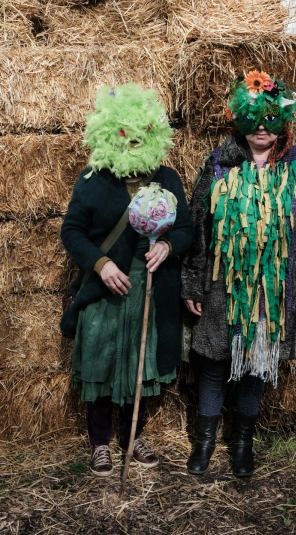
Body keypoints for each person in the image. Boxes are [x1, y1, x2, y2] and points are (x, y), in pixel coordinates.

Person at [181, 71, 296, 477]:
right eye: (253, 118)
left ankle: (243, 442)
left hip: (271, 286)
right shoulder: (218, 164)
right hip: (221, 284)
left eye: (270, 117)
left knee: (255, 360)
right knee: (214, 360)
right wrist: (192, 282)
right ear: (238, 119)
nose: (262, 127)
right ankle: (206, 441)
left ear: (282, 120)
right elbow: (198, 226)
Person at [61, 83, 193, 477]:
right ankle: (100, 443)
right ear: (109, 134)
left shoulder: (167, 177)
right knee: (102, 364)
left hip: (151, 290)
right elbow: (72, 231)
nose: (133, 143)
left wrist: (168, 247)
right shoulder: (93, 179)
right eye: (125, 136)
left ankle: (132, 435)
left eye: (141, 137)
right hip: (106, 290)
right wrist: (100, 264)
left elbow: (186, 228)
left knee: (142, 363)